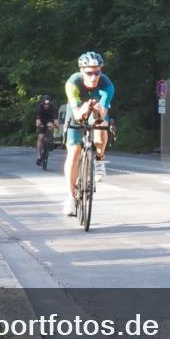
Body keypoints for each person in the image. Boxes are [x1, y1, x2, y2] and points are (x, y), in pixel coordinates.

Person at [62, 52, 114, 216]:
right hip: (77, 110)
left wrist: (97, 110)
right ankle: (70, 198)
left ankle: (99, 160)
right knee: (74, 153)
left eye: (97, 72)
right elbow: (77, 115)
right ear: (82, 71)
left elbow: (102, 116)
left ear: (101, 70)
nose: (93, 77)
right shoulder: (73, 83)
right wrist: (83, 109)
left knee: (102, 127)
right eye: (89, 73)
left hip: (97, 109)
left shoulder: (107, 85)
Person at [35, 95, 58, 165]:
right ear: (42, 103)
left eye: (48, 104)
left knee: (50, 126)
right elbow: (38, 120)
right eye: (45, 104)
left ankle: (49, 142)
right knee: (41, 137)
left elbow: (56, 120)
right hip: (41, 121)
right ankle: (39, 156)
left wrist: (56, 126)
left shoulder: (53, 107)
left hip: (49, 120)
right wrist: (39, 125)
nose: (46, 105)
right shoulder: (39, 107)